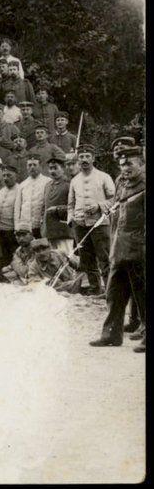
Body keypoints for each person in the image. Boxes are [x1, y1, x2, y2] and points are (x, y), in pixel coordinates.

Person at [90, 146, 145, 351]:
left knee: (143, 293)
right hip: (119, 246)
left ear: (141, 162)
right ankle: (111, 334)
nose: (124, 167)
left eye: (129, 163)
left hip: (139, 248)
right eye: (121, 164)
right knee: (114, 293)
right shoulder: (121, 182)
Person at [67, 144, 114, 295]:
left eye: (88, 156)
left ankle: (110, 290)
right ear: (78, 160)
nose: (84, 159)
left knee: (104, 258)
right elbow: (70, 204)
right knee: (87, 259)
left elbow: (115, 199)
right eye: (81, 157)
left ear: (93, 158)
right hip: (80, 224)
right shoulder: (74, 180)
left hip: (99, 224)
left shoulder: (104, 177)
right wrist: (71, 219)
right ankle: (95, 289)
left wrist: (99, 206)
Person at [14, 153, 52, 238]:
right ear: (26, 167)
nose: (32, 167)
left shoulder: (48, 182)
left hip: (41, 225)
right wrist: (17, 226)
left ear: (40, 166)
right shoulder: (22, 185)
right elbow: (17, 207)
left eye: (35, 165)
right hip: (26, 225)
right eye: (29, 165)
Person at [42, 154, 73, 256]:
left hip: (63, 230)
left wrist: (57, 209)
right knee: (53, 259)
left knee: (67, 258)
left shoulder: (69, 184)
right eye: (50, 168)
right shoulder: (47, 185)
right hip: (49, 231)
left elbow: (74, 207)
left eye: (55, 168)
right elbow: (44, 206)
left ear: (63, 168)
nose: (52, 171)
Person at [0, 164, 21, 266]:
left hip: (12, 229)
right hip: (1, 229)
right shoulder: (2, 190)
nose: (6, 178)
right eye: (4, 175)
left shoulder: (20, 189)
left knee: (14, 254)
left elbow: (18, 210)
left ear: (16, 176)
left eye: (9, 175)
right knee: (3, 254)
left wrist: (17, 229)